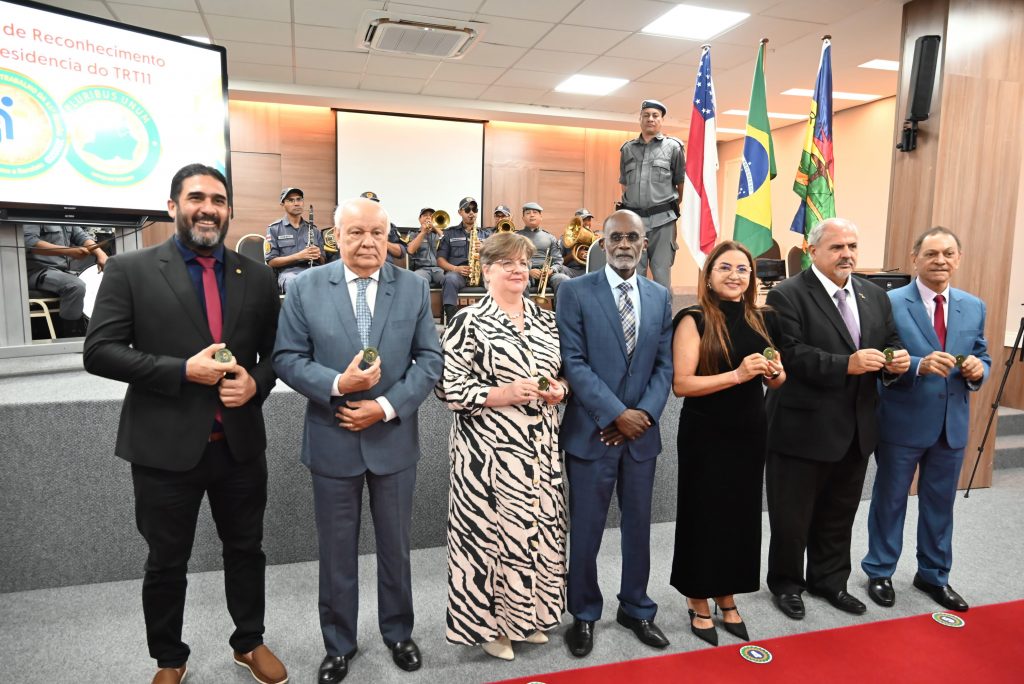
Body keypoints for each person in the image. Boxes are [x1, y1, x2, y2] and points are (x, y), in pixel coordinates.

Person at [82, 164, 286, 684]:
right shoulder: (130, 269)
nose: (208, 208)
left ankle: (249, 642)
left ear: (229, 211)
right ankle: (169, 658)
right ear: (173, 206)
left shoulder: (257, 275)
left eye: (219, 200)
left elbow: (275, 354)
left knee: (246, 550)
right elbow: (99, 352)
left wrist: (256, 384)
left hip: (238, 446)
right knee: (166, 560)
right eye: (196, 197)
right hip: (163, 448)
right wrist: (181, 371)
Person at [272, 197, 442, 684]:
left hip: (392, 437)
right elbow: (287, 357)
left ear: (387, 236)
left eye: (376, 233)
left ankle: (398, 633)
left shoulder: (411, 286)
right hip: (334, 436)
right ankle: (339, 644)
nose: (368, 242)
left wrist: (384, 407)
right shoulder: (305, 286)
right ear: (336, 236)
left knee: (396, 547)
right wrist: (338, 386)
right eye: (355, 233)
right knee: (337, 550)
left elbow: (429, 360)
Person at [765, 217, 910, 621]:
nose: (846, 254)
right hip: (801, 427)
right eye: (836, 247)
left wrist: (895, 362)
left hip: (856, 427)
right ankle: (787, 584)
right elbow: (789, 354)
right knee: (792, 516)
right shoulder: (786, 294)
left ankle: (829, 580)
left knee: (839, 512)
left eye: (852, 246)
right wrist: (845, 364)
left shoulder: (874, 295)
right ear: (813, 252)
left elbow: (890, 341)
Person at [437, 232, 569, 661]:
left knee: (535, 534)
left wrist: (558, 391)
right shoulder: (467, 321)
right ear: (487, 269)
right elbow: (448, 389)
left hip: (540, 450)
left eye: (524, 263)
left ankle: (525, 618)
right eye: (506, 262)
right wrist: (503, 393)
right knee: (489, 540)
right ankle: (489, 628)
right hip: (487, 456)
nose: (517, 270)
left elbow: (559, 376)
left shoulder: (546, 319)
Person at [556, 209, 674, 658]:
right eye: (616, 238)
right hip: (593, 433)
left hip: (641, 436)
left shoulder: (660, 296)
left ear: (644, 244)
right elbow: (574, 361)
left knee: (638, 528)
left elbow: (664, 366)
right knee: (585, 530)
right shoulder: (574, 291)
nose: (625, 245)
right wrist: (614, 415)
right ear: (602, 244)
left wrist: (640, 414)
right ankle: (583, 614)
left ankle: (636, 607)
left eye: (633, 238)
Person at [861, 227, 990, 612]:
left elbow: (982, 353)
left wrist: (978, 369)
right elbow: (877, 354)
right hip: (902, 420)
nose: (941, 261)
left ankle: (934, 574)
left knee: (940, 504)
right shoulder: (888, 302)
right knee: (890, 499)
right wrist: (917, 365)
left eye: (948, 254)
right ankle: (880, 570)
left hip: (951, 425)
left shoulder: (974, 305)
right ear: (915, 257)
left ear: (959, 259)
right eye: (932, 254)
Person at [670, 241, 785, 646]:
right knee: (704, 515)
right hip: (706, 431)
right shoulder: (693, 318)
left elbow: (778, 378)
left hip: (750, 429)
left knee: (740, 515)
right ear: (709, 274)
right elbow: (682, 385)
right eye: (725, 268)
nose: (735, 276)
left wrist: (772, 373)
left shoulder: (761, 318)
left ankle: (727, 593)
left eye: (743, 269)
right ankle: (697, 596)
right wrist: (737, 375)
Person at [618, 99, 685, 289]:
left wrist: (668, 207)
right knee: (632, 274)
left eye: (655, 115)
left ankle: (663, 319)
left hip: (663, 221)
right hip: (634, 223)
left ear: (662, 120)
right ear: (640, 119)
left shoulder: (674, 147)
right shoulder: (627, 149)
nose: (650, 119)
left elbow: (680, 183)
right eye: (646, 115)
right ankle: (633, 318)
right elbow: (624, 184)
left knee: (661, 274)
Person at [24, 223, 108, 336]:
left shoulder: (64, 216)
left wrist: (101, 254)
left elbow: (82, 237)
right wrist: (69, 251)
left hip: (61, 271)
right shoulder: (35, 213)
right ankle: (71, 336)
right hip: (36, 271)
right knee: (74, 286)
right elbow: (29, 242)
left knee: (99, 280)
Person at [437, 196, 491, 323]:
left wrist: (485, 249)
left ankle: (495, 320)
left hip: (482, 273)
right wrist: (456, 268)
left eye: (474, 209)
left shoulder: (487, 234)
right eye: (467, 209)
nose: (471, 212)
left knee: (498, 278)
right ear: (460, 212)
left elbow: (496, 258)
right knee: (449, 279)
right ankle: (452, 322)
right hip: (458, 274)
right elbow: (440, 260)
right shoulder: (450, 233)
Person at [265, 186, 324, 293]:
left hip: (313, 272)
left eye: (299, 199)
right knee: (296, 283)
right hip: (289, 274)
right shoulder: (274, 229)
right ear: (282, 204)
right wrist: (298, 256)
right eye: (291, 200)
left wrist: (317, 255)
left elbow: (323, 261)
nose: (296, 203)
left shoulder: (314, 230)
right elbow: (271, 262)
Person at [517, 202, 569, 302]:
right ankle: (526, 314)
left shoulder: (550, 237)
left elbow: (558, 260)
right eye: (528, 213)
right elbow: (512, 260)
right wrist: (528, 271)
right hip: (525, 273)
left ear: (541, 217)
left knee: (563, 279)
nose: (531, 215)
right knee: (520, 281)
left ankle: (561, 315)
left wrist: (552, 270)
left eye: (535, 212)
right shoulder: (515, 237)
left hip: (548, 274)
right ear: (523, 218)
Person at [359, 190, 407, 263]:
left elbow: (401, 253)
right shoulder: (351, 225)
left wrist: (383, 242)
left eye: (373, 204)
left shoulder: (388, 226)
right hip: (358, 265)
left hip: (384, 266)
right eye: (366, 205)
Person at [406, 207, 444, 287]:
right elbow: (410, 250)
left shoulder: (438, 234)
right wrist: (423, 232)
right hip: (422, 269)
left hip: (439, 269)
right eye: (425, 215)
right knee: (414, 280)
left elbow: (446, 240)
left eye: (431, 215)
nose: (428, 217)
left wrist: (435, 228)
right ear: (419, 219)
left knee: (450, 280)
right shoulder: (413, 234)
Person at [557, 208, 596, 279]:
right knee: (559, 268)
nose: (587, 223)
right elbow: (558, 262)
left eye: (589, 220)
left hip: (589, 271)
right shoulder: (565, 238)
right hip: (571, 271)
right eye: (584, 220)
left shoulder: (595, 237)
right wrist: (572, 255)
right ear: (576, 223)